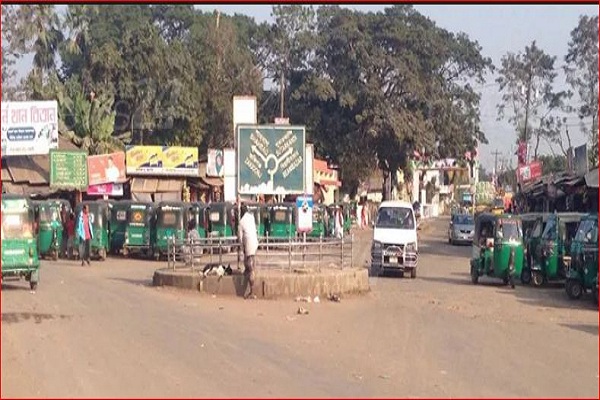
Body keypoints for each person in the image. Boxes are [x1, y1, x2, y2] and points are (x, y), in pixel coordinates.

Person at [238, 203, 259, 299]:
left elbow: (240, 238)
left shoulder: (241, 222)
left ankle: (252, 292)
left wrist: (242, 248)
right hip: (255, 243)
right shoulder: (251, 217)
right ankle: (247, 271)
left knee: (251, 269)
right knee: (250, 263)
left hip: (249, 245)